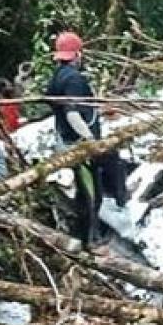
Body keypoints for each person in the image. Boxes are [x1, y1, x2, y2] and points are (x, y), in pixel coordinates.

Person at [45, 31, 106, 244]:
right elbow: (72, 113)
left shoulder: (57, 77)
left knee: (81, 193)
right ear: (77, 54)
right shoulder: (74, 79)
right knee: (90, 196)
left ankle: (83, 238)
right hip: (79, 145)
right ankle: (90, 241)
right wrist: (90, 139)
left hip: (65, 140)